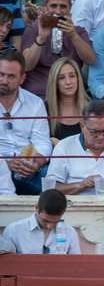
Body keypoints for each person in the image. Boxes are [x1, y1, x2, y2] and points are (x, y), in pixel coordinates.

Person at [22, 0, 95, 102]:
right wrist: (41, 38)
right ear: (45, 5)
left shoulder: (78, 31)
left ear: (70, 7)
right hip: (38, 98)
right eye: (53, 6)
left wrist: (73, 36)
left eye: (63, 6)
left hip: (71, 98)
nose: (58, 11)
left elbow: (91, 60)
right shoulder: (32, 30)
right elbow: (26, 65)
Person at [50, 99, 104, 195]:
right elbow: (50, 188)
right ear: (82, 126)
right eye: (94, 132)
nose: (101, 136)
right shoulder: (64, 147)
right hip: (76, 206)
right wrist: (81, 185)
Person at [0, 48, 51, 195]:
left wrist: (36, 164)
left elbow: (43, 142)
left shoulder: (35, 103)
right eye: (1, 74)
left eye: (11, 77)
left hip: (27, 169)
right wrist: (4, 164)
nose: (4, 81)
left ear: (22, 79)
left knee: (53, 184)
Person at [1, 189, 82, 254]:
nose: (49, 226)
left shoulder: (70, 233)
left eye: (55, 221)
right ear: (37, 208)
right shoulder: (13, 230)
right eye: (45, 220)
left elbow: (76, 265)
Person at [44, 57, 89, 141]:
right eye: (62, 78)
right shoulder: (44, 109)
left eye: (72, 76)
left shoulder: (90, 108)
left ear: (78, 79)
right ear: (55, 83)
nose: (68, 82)